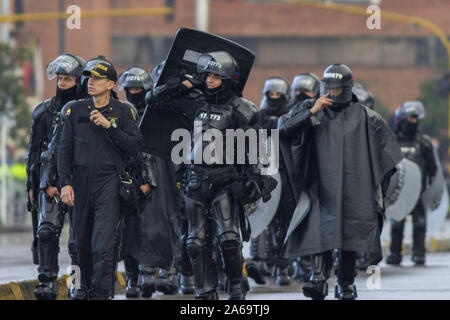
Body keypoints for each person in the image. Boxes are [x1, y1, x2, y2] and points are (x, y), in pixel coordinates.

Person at [278, 63, 402, 300]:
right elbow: (283, 129)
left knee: (350, 233)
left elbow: (388, 159)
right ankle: (318, 279)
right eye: (329, 87)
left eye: (337, 88)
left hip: (356, 191)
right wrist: (311, 111)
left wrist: (376, 191)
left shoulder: (368, 118)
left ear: (347, 88)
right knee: (318, 229)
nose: (332, 93)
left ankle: (346, 284)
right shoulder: (312, 109)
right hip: (319, 187)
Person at [58, 58, 142, 299]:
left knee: (103, 246)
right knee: (77, 244)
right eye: (89, 78)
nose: (91, 82)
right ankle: (78, 287)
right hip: (80, 183)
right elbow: (64, 151)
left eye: (97, 79)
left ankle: (101, 293)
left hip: (110, 182)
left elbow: (136, 149)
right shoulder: (75, 110)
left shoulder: (125, 112)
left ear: (111, 84)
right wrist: (65, 183)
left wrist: (110, 127)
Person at [26, 53, 85, 300]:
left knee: (78, 240)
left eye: (68, 79)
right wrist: (34, 184)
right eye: (59, 78)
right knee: (46, 232)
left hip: (80, 182)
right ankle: (47, 282)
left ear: (78, 81)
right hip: (48, 183)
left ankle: (78, 284)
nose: (62, 83)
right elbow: (35, 150)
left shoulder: (86, 109)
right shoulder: (43, 111)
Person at [245, 76, 295, 286]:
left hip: (286, 176)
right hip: (265, 175)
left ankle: (282, 266)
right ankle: (259, 261)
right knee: (260, 220)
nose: (274, 98)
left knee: (284, 222)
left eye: (278, 95)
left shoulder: (292, 118)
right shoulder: (258, 117)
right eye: (271, 94)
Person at [386, 101, 437, 266]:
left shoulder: (424, 142)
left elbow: (432, 167)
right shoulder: (392, 141)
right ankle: (394, 254)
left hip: (418, 192)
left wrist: (426, 186)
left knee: (420, 224)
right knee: (397, 223)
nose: (413, 122)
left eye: (416, 119)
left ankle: (418, 254)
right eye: (410, 119)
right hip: (398, 193)